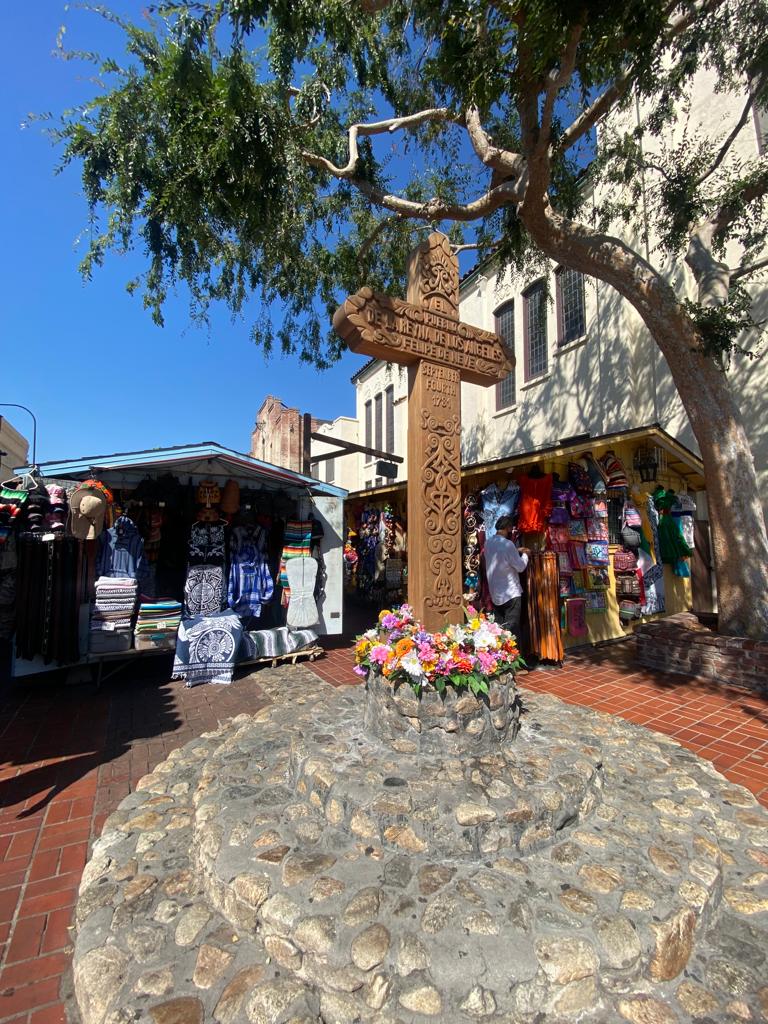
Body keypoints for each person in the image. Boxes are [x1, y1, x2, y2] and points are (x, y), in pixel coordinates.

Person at [484, 515, 529, 638]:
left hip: (496, 594)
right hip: (511, 594)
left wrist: (516, 550)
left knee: (500, 632)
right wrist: (525, 555)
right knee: (512, 633)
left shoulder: (488, 543)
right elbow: (520, 567)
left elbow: (500, 555)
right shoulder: (508, 544)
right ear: (508, 528)